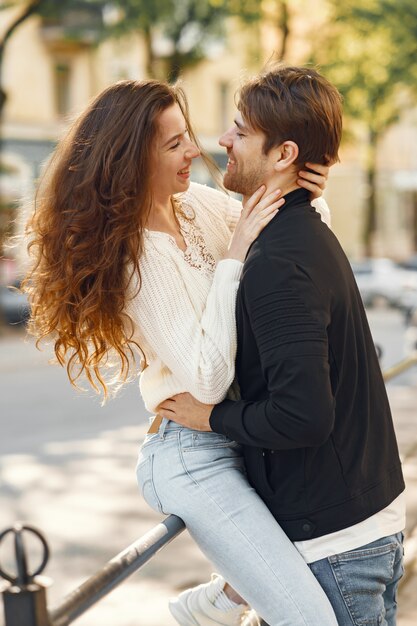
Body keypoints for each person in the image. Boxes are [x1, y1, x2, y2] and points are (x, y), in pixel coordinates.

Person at [22, 78, 339, 626]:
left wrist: (306, 191)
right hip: (191, 452)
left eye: (187, 135)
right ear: (131, 161)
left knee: (309, 580)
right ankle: (222, 601)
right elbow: (208, 381)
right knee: (312, 618)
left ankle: (221, 601)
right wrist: (235, 255)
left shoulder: (196, 205)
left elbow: (305, 242)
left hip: (246, 431)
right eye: (174, 145)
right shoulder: (135, 258)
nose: (196, 149)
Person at [158, 65, 406, 626]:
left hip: (336, 546)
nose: (222, 140)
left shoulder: (277, 264)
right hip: (362, 526)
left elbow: (303, 417)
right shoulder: (305, 231)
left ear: (284, 153)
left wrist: (211, 417)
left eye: (240, 132)